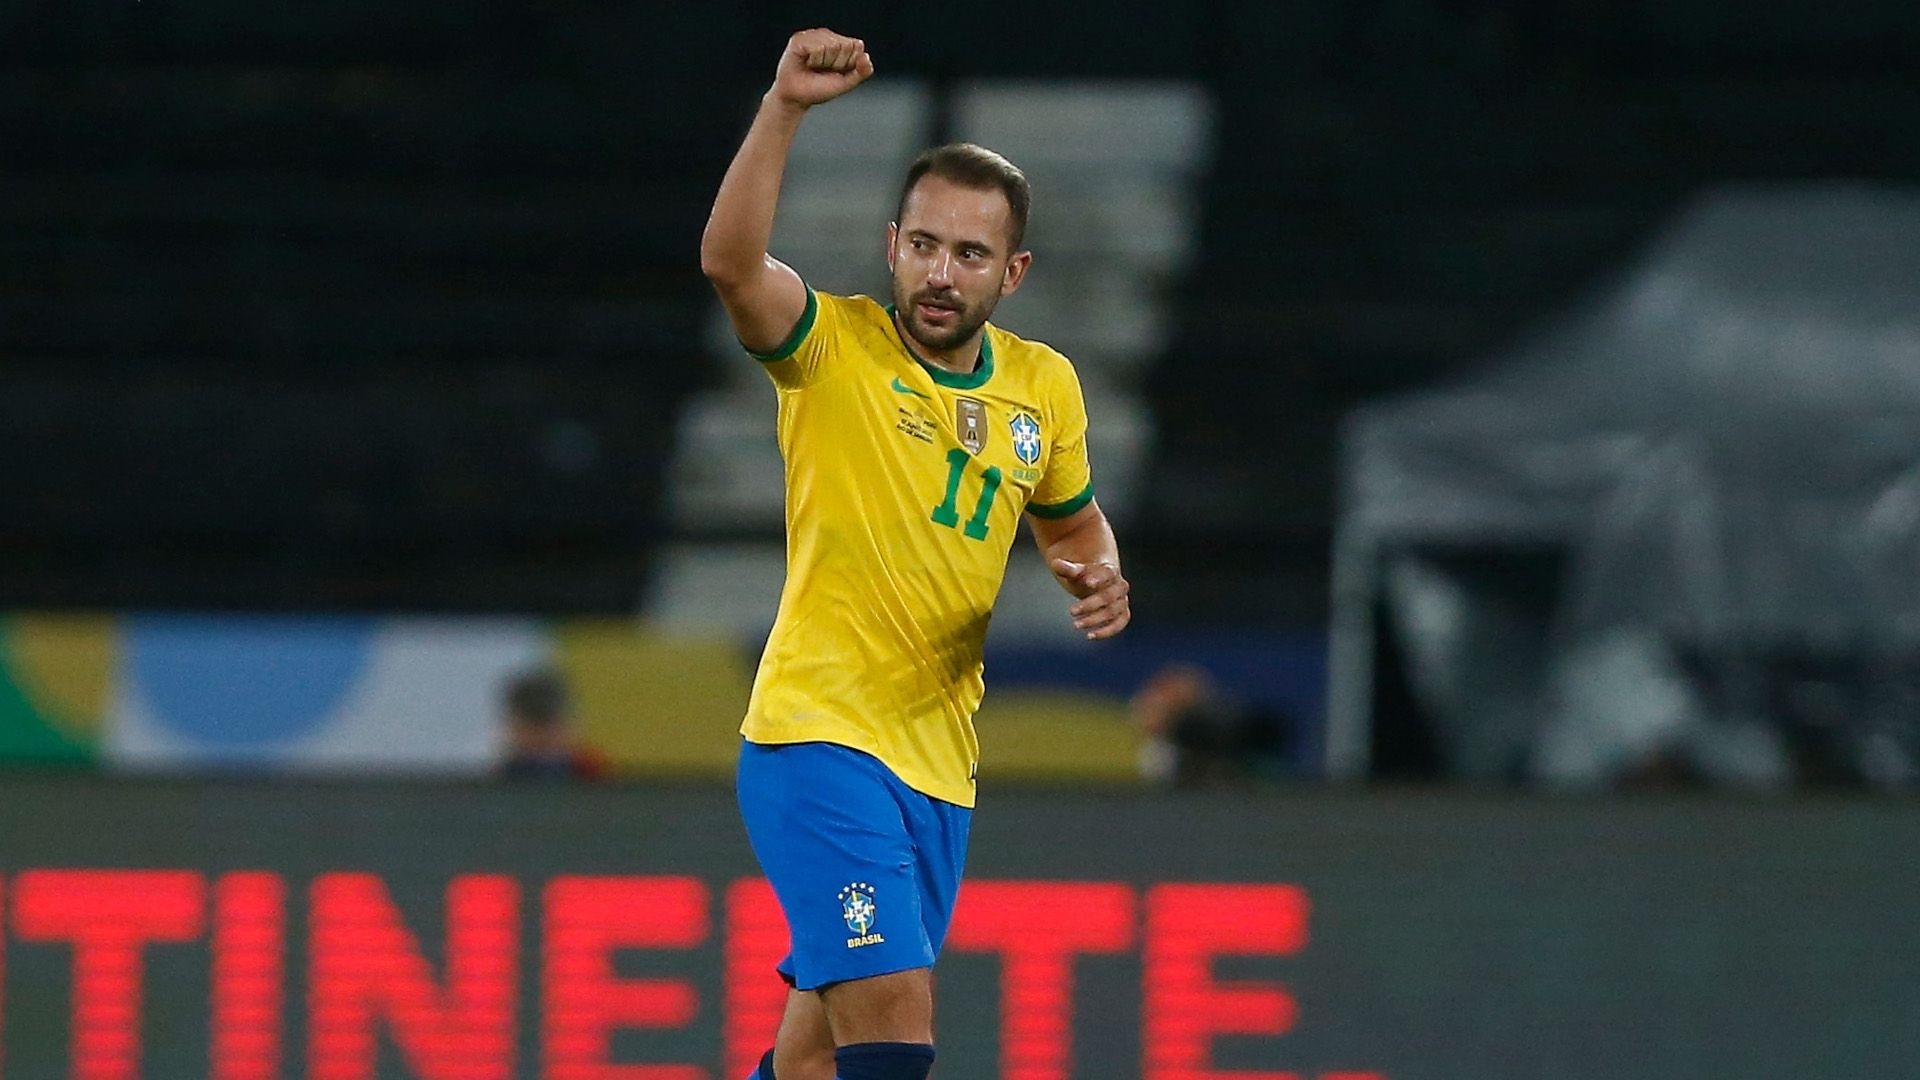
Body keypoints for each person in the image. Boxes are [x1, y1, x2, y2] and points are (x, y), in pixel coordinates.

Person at [698, 27, 1132, 1080]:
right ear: (893, 244)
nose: (942, 274)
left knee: (807, 1062)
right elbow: (730, 263)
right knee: (895, 1026)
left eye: (971, 254)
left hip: (938, 769)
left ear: (1013, 272)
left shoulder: (1045, 389)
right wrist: (784, 107)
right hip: (819, 740)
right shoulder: (830, 349)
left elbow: (1070, 522)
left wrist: (1099, 572)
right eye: (925, 245)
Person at [495, 668, 606, 781]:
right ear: (514, 727)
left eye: (550, 726)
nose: (542, 738)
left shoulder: (595, 772)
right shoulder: (499, 780)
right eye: (533, 728)